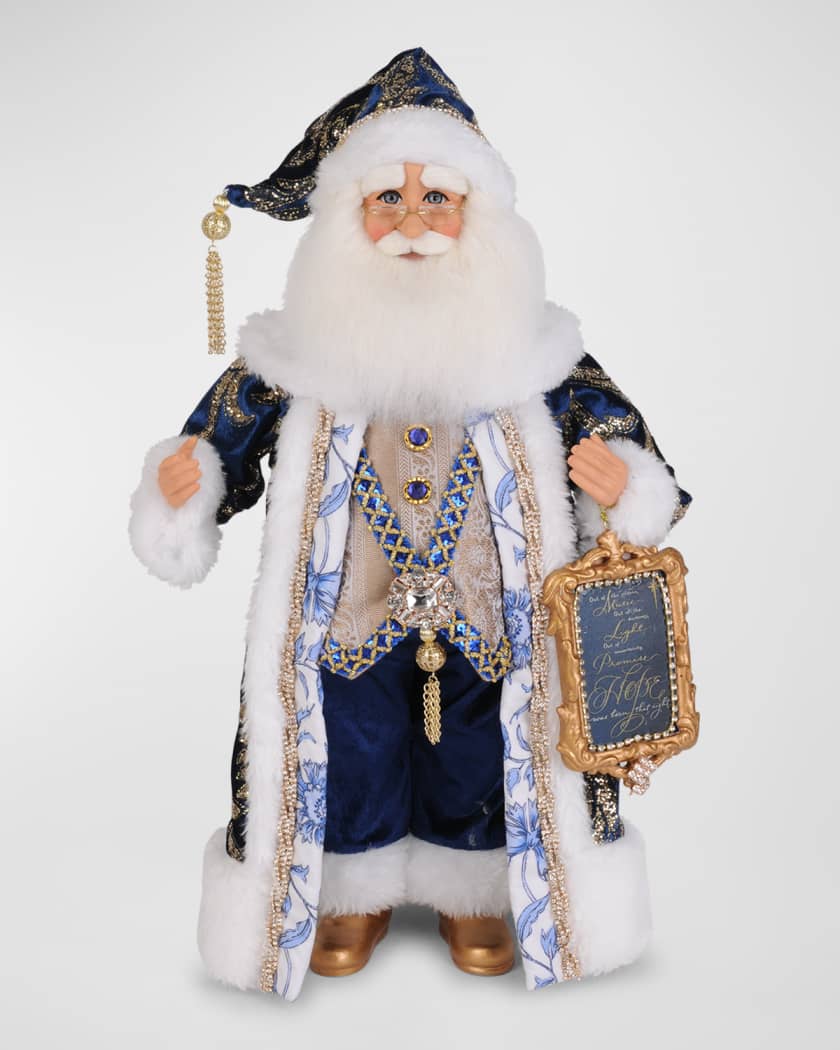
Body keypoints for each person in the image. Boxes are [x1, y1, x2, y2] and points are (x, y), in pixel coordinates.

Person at [129, 47, 691, 1001]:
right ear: (345, 219)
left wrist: (619, 483)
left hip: (493, 613)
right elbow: (220, 443)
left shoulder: (539, 356)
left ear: (484, 219)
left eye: (439, 199)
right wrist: (186, 484)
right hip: (347, 611)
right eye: (387, 198)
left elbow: (630, 456)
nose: (413, 222)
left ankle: (478, 892)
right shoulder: (294, 357)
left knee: (483, 742)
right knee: (350, 740)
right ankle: (352, 889)